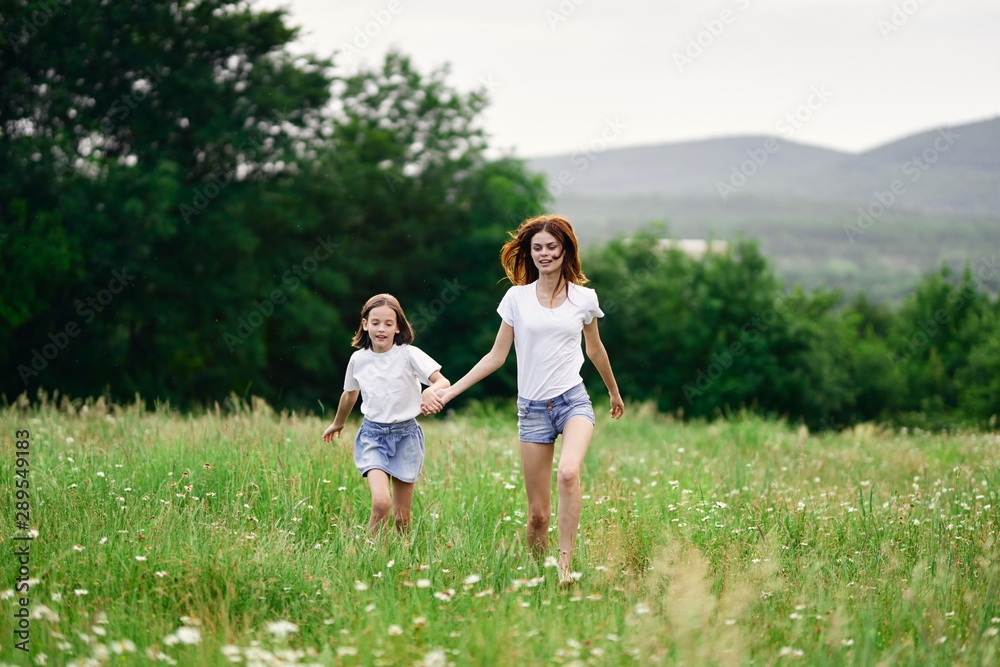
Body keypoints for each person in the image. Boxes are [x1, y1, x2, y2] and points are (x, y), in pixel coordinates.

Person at [438, 214, 624, 581]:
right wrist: (449, 391)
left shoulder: (584, 298)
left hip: (573, 402)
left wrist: (614, 392)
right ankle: (537, 577)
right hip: (532, 410)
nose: (544, 253)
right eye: (537, 248)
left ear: (565, 249)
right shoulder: (516, 298)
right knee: (538, 515)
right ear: (529, 252)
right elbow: (496, 356)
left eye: (551, 247)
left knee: (569, 474)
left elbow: (596, 349)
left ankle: (565, 567)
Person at [322, 293, 450, 534]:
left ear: (398, 327)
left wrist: (428, 393)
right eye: (375, 322)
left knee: (402, 518)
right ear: (365, 324)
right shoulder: (358, 359)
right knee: (381, 503)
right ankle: (370, 555)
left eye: (388, 324)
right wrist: (338, 423)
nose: (381, 329)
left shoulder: (409, 354)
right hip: (373, 436)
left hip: (406, 437)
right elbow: (350, 394)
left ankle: (400, 559)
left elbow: (443, 382)